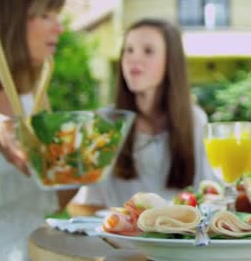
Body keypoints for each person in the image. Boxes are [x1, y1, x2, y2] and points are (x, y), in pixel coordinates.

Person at [71, 18, 217, 209]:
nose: (133, 59)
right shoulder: (104, 122)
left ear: (171, 61)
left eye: (148, 51)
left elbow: (209, 196)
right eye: (128, 50)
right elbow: (87, 203)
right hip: (119, 235)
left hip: (177, 235)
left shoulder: (195, 119)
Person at [0, 0, 65, 261]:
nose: (59, 27)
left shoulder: (36, 101)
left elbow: (47, 201)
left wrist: (84, 167)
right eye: (46, 15)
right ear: (12, 19)